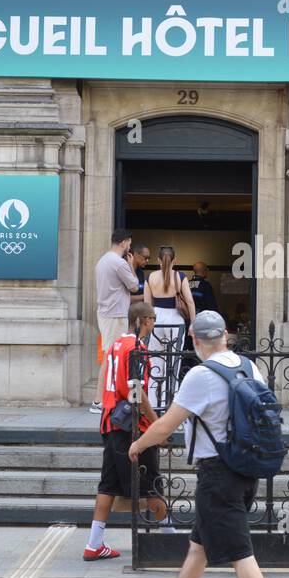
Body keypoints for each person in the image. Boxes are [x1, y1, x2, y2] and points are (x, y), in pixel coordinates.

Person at [131, 310, 282, 578]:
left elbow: (166, 425)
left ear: (196, 341)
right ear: (225, 335)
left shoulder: (201, 374)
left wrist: (138, 445)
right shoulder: (248, 366)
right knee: (199, 546)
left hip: (218, 475)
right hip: (245, 470)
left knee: (241, 555)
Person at [85, 302, 173, 560]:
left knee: (108, 485)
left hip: (111, 422)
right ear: (144, 320)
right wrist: (157, 423)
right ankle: (172, 538)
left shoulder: (115, 345)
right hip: (130, 427)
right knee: (149, 483)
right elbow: (137, 391)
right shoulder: (137, 348)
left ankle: (94, 543)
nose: (155, 323)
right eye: (153, 318)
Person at [91, 230, 141, 415]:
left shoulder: (103, 260)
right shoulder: (119, 263)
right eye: (129, 243)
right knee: (110, 356)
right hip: (115, 314)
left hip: (106, 312)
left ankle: (106, 397)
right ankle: (98, 400)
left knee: (110, 354)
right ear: (124, 242)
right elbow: (134, 285)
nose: (130, 246)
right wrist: (131, 265)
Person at [144, 246, 197, 408]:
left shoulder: (150, 277)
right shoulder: (180, 277)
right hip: (175, 320)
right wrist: (193, 324)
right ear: (175, 260)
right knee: (173, 363)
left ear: (158, 260)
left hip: (156, 319)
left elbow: (147, 305)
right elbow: (189, 301)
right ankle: (172, 403)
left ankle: (154, 404)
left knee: (155, 363)